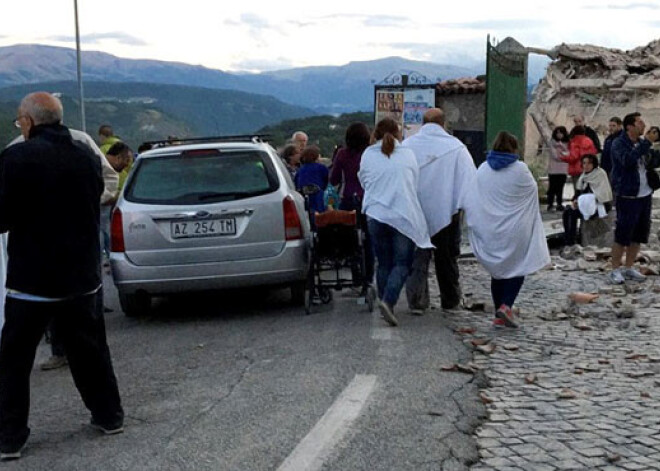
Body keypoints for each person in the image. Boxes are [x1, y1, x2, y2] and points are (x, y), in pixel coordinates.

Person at [0, 92, 124, 460]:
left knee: (14, 361)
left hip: (32, 279)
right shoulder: (84, 156)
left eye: (20, 120)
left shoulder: (16, 158)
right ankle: (109, 415)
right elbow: (100, 193)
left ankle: (10, 438)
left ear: (28, 121)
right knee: (91, 351)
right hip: (81, 276)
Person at [7, 126, 118, 371]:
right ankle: (61, 350)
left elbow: (109, 178)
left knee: (82, 302)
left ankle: (87, 351)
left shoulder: (81, 141)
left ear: (29, 120)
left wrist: (86, 202)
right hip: (39, 252)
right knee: (48, 302)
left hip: (75, 245)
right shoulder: (16, 148)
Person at [460, 132, 550, 328]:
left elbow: (473, 194)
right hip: (515, 228)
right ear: (514, 148)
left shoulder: (483, 169)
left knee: (498, 272)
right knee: (518, 267)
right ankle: (506, 305)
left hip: (490, 228)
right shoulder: (520, 170)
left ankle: (498, 312)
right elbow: (531, 191)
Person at [358, 118, 433, 327]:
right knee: (402, 263)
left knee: (384, 262)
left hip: (376, 213)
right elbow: (413, 182)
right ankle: (388, 301)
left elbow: (364, 181)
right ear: (399, 133)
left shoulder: (367, 155)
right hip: (402, 214)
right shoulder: (408, 155)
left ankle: (385, 301)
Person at [402, 108, 476, 314]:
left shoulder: (407, 146)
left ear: (423, 123)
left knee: (417, 258)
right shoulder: (456, 148)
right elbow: (469, 180)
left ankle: (417, 301)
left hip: (415, 210)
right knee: (447, 259)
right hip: (448, 212)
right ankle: (450, 300)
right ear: (444, 124)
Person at [608, 112, 660, 284]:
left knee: (638, 234)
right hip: (628, 194)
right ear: (629, 126)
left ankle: (629, 267)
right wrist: (646, 143)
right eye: (639, 122)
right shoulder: (618, 143)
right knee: (623, 234)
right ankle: (615, 269)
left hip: (644, 194)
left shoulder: (641, 144)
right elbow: (627, 161)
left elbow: (651, 163)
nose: (643, 125)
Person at [329, 122, 374, 287]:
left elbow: (334, 179)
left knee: (349, 240)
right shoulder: (370, 154)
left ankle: (356, 276)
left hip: (347, 200)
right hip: (368, 200)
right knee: (368, 240)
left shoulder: (342, 154)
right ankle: (368, 277)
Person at [562, 154, 613, 246]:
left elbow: (603, 195)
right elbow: (578, 193)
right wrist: (576, 201)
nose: (586, 166)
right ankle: (569, 241)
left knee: (573, 213)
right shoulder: (583, 177)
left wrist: (588, 200)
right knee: (568, 212)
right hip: (585, 205)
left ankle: (571, 242)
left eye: (589, 163)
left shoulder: (600, 174)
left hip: (599, 206)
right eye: (584, 163)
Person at [294, 145, 329, 215]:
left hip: (305, 198)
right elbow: (327, 181)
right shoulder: (322, 168)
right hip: (318, 197)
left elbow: (296, 183)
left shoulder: (300, 170)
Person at [563, 125, 597, 191]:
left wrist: (563, 157)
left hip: (576, 170)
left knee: (578, 191)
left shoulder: (574, 142)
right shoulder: (589, 140)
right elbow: (594, 153)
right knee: (587, 190)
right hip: (589, 169)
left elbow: (573, 157)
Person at [547, 126, 570, 212]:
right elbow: (555, 156)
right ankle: (550, 204)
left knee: (560, 188)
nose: (559, 135)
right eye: (557, 133)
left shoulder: (567, 143)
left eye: (561, 133)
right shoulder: (552, 143)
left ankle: (559, 204)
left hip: (563, 169)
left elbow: (568, 154)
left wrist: (562, 148)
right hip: (553, 169)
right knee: (552, 188)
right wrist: (563, 155)